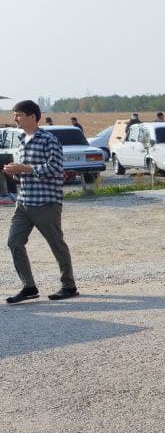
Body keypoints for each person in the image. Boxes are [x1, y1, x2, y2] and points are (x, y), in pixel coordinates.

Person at [4, 100, 77, 303]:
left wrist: (24, 169)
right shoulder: (21, 139)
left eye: (18, 115)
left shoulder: (49, 139)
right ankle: (29, 287)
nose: (15, 118)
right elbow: (28, 171)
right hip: (24, 201)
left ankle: (69, 286)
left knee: (56, 244)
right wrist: (14, 173)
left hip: (46, 202)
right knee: (14, 242)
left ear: (32, 117)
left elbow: (55, 168)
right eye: (15, 115)